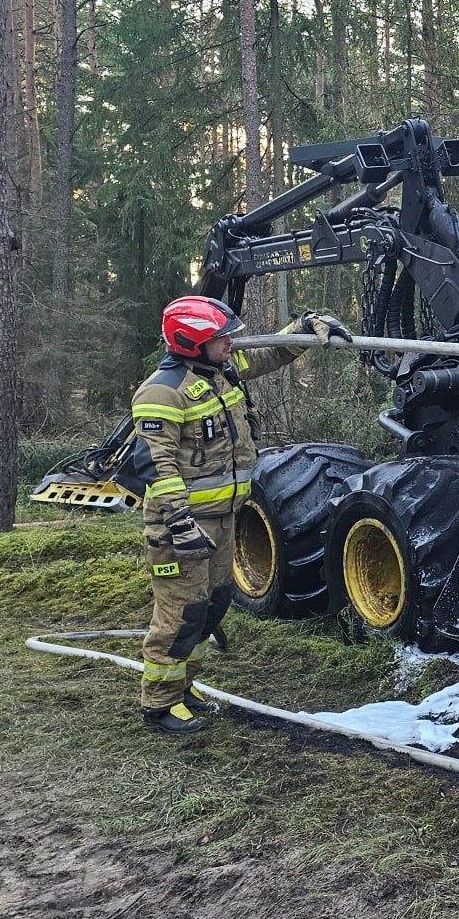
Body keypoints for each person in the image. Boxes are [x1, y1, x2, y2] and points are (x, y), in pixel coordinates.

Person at [131, 295, 350, 733]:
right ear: (192, 343)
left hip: (222, 518)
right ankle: (158, 704)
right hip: (183, 526)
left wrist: (304, 328)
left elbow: (268, 354)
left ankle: (182, 687)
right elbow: (157, 465)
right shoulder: (162, 390)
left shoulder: (218, 373)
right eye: (222, 337)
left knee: (212, 606)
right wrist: (179, 523)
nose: (232, 342)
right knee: (180, 614)